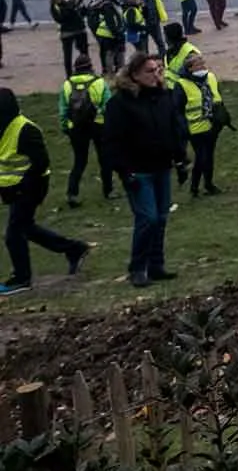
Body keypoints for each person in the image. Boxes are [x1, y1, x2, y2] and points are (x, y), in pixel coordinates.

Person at [102, 51, 185, 289]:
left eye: (158, 70)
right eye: (149, 71)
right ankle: (137, 268)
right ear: (135, 74)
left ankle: (156, 265)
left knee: (160, 217)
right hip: (138, 171)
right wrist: (124, 171)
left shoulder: (163, 97)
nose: (155, 75)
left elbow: (174, 129)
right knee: (147, 218)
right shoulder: (120, 103)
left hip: (161, 167)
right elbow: (111, 141)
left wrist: (180, 159)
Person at [0, 89, 91, 293]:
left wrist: (22, 187)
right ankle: (74, 249)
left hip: (31, 187)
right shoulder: (2, 127)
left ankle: (22, 278)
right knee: (26, 228)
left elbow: (41, 163)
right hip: (12, 190)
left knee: (13, 234)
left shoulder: (26, 130)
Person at [58, 52, 113, 206]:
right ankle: (108, 190)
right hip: (98, 125)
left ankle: (72, 193)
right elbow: (108, 105)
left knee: (79, 161)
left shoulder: (67, 84)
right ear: (91, 67)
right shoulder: (99, 82)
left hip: (76, 127)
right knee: (104, 159)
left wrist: (65, 127)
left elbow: (63, 110)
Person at [175, 53, 226, 195]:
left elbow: (217, 96)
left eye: (203, 63)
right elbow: (177, 109)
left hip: (212, 125)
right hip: (195, 128)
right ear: (190, 68)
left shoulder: (210, 77)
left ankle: (207, 185)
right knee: (202, 157)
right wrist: (184, 128)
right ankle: (196, 186)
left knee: (208, 157)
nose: (203, 67)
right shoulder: (182, 85)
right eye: (199, 65)